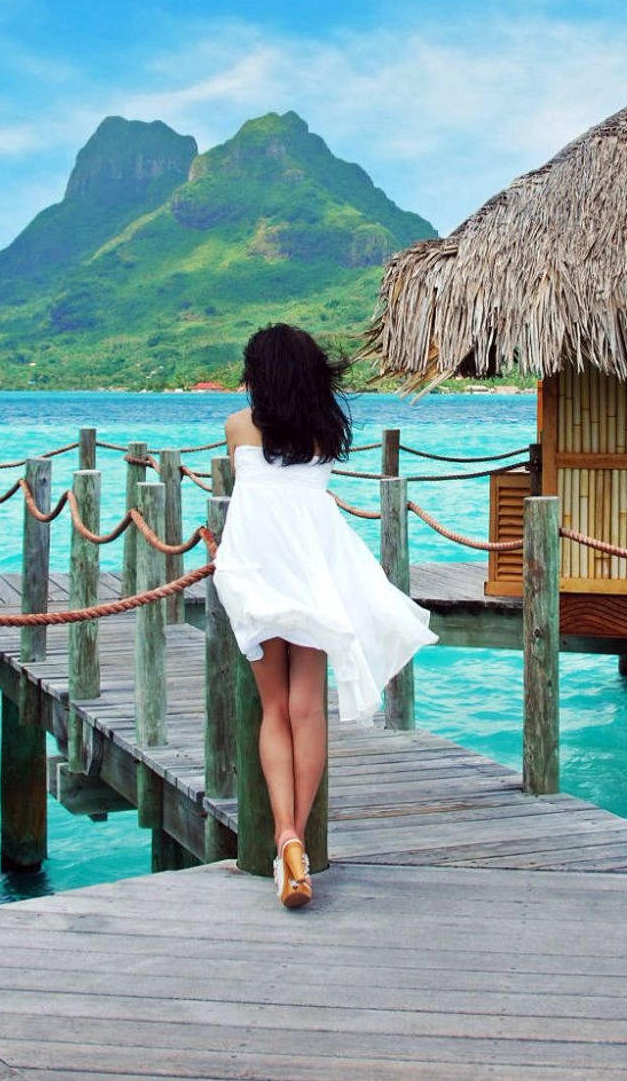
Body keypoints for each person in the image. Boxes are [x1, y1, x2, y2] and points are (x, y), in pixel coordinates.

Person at [211, 323, 436, 908]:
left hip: (254, 573)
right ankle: (299, 840)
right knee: (307, 710)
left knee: (274, 710)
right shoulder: (324, 432)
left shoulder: (239, 428)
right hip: (311, 575)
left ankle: (280, 832)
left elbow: (253, 477)